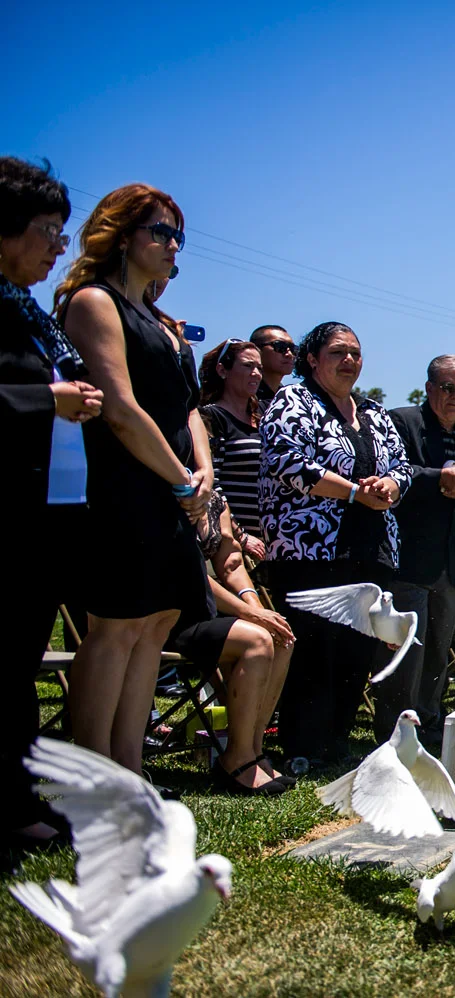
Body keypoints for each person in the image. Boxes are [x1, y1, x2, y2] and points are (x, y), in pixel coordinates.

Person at [55, 183, 214, 775]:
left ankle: (130, 768)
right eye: (161, 233)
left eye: (179, 236)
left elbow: (190, 410)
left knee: (154, 628)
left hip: (177, 491)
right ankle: (93, 777)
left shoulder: (164, 320)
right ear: (122, 237)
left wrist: (202, 474)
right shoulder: (94, 302)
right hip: (123, 488)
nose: (174, 245)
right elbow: (118, 408)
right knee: (114, 629)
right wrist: (181, 482)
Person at [1, 156, 101, 850]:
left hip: (43, 520)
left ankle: (17, 798)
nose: (58, 247)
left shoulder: (27, 308)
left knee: (18, 666)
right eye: (46, 230)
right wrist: (49, 401)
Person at [260, 321, 411, 763]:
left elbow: (401, 464)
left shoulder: (374, 411)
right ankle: (303, 747)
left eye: (356, 353)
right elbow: (287, 462)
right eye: (337, 352)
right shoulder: (294, 400)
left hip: (371, 550)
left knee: (355, 654)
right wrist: (352, 491)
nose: (349, 361)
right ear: (312, 359)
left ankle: (338, 743)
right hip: (311, 550)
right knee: (312, 651)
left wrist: (389, 486)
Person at [384, 355, 455, 743]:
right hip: (410, 557)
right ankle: (395, 727)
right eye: (447, 388)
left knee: (438, 650)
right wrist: (438, 479)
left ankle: (429, 721)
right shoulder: (403, 422)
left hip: (452, 562)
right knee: (407, 651)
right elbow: (395, 472)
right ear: (429, 387)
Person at [170, 490, 294, 794]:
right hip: (170, 612)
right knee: (257, 642)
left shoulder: (215, 501)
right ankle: (235, 759)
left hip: (211, 613)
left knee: (282, 637)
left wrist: (257, 610)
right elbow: (190, 572)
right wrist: (249, 614)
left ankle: (253, 750)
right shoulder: (168, 493)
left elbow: (232, 564)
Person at [198, 339, 267, 550]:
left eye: (259, 368)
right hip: (238, 544)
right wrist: (241, 536)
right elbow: (213, 483)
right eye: (247, 366)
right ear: (222, 370)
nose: (256, 373)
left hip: (271, 540)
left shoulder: (265, 416)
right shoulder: (211, 416)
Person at [250, 324, 294, 407]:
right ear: (257, 350)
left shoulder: (289, 398)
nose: (290, 354)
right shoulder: (244, 396)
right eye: (280, 346)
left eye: (293, 349)